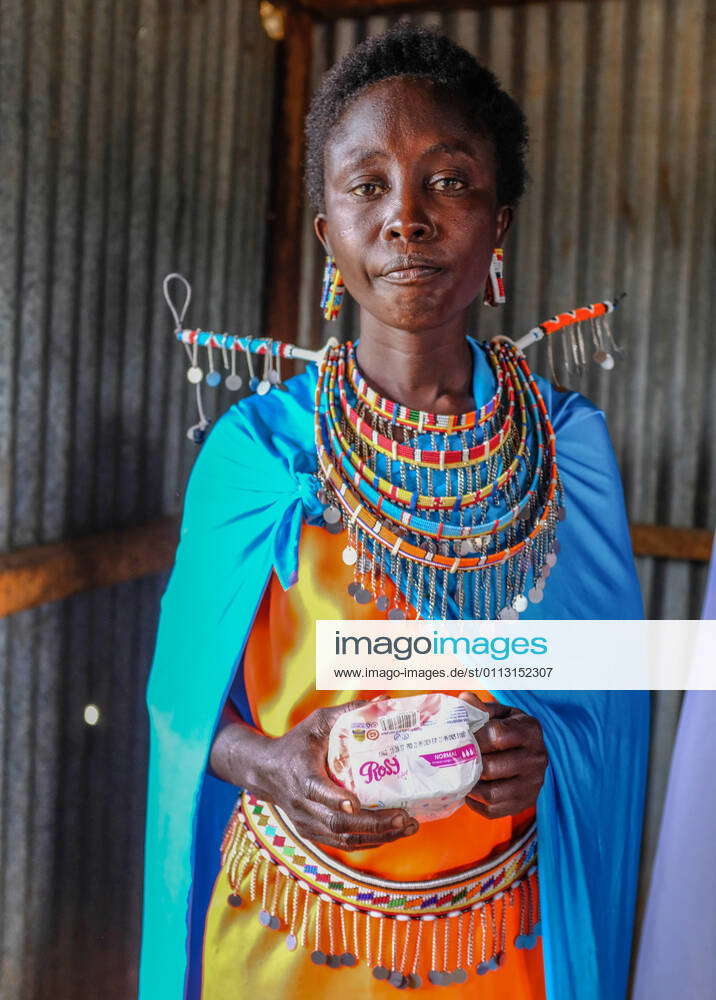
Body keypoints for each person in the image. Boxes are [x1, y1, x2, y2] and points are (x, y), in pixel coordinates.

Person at [139, 24, 649, 1000]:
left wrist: (545, 749)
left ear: (497, 221)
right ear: (327, 230)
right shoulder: (261, 453)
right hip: (288, 941)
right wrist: (270, 763)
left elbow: (608, 691)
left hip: (495, 951)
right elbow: (179, 704)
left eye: (447, 180)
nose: (404, 218)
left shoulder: (564, 446)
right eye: (366, 185)